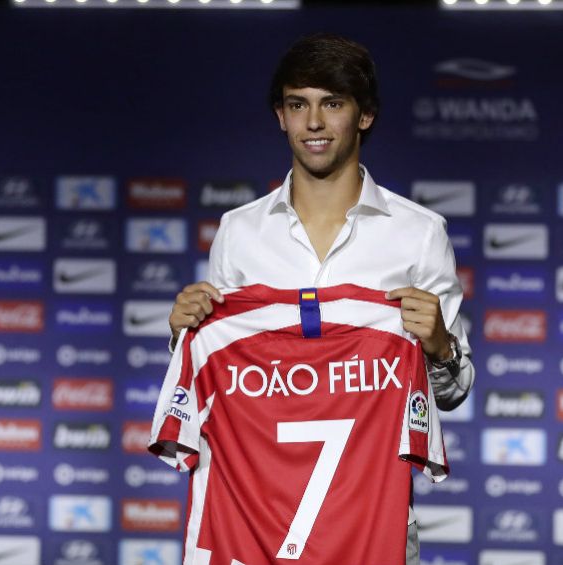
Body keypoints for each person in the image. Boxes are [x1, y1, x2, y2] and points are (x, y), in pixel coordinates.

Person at [167, 32, 474, 564]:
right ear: (280, 116)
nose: (313, 122)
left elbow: (452, 391)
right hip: (255, 528)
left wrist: (439, 346)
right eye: (297, 104)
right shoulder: (239, 232)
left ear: (364, 116)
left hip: (373, 531)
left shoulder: (419, 233)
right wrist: (184, 334)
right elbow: (217, 376)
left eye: (332, 103)